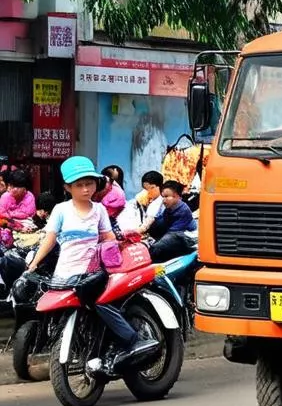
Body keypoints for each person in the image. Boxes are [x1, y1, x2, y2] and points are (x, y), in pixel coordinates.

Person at [25, 156, 158, 373]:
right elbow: (49, 240)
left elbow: (107, 238)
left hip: (93, 273)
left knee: (100, 303)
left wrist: (119, 241)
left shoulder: (99, 210)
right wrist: (33, 264)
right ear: (68, 187)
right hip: (65, 274)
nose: (85, 189)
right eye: (79, 185)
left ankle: (133, 340)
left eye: (89, 183)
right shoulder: (60, 210)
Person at [140, 180, 196, 261]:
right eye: (163, 197)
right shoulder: (168, 208)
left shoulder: (184, 210)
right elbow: (159, 221)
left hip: (184, 237)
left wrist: (156, 243)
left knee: (157, 248)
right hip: (172, 233)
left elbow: (173, 233)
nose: (164, 200)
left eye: (166, 196)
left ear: (178, 197)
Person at [0, 169, 37, 246]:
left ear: (25, 188)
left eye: (17, 186)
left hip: (26, 225)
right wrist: (17, 225)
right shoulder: (5, 197)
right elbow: (2, 216)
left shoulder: (30, 196)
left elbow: (29, 216)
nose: (14, 189)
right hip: (8, 226)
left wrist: (12, 215)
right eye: (11, 185)